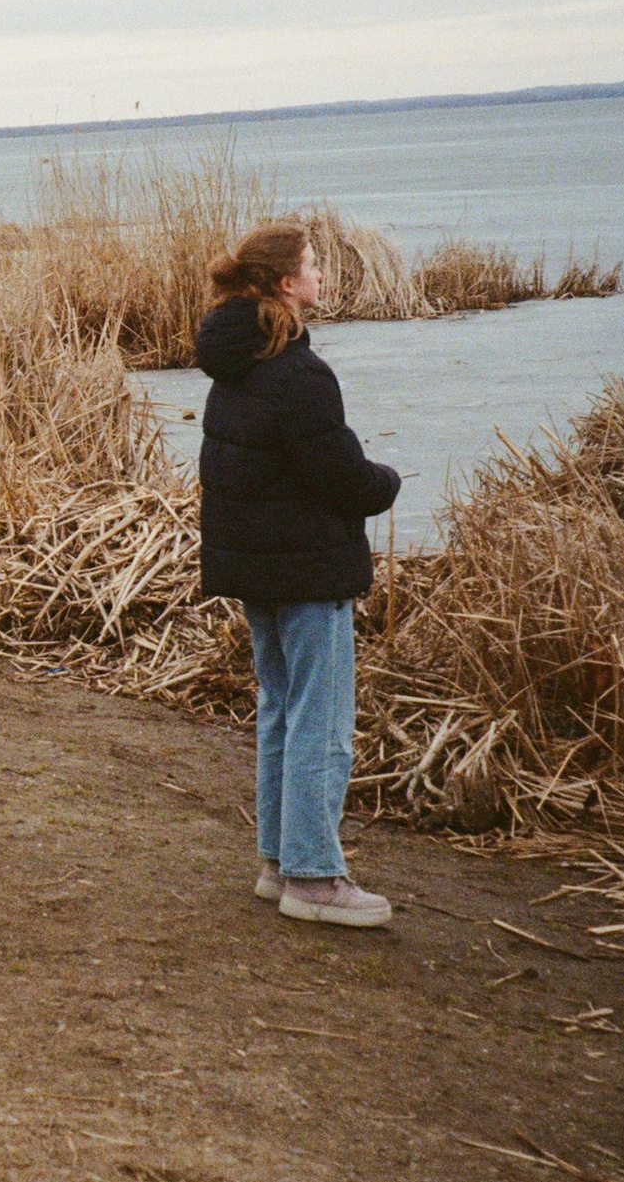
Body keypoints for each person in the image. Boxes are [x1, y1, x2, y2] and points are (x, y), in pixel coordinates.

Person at [195, 222, 402, 928]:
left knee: (283, 710)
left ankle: (280, 863)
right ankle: (312, 876)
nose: (320, 274)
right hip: (306, 569)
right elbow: (342, 476)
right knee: (322, 721)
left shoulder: (237, 364)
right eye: (312, 265)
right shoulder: (297, 372)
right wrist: (387, 481)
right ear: (286, 283)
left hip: (257, 567)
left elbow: (239, 471)